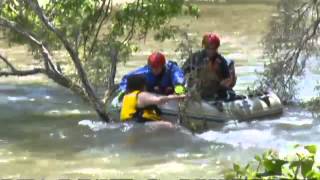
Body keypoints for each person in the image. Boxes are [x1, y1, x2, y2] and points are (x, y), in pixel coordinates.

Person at [182, 33, 237, 100]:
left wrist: (225, 83)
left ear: (217, 48)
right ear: (204, 46)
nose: (211, 51)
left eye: (213, 48)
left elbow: (228, 80)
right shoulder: (195, 58)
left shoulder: (221, 62)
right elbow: (183, 73)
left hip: (217, 91)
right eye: (208, 48)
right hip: (197, 90)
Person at [120, 74, 185, 125]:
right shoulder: (140, 95)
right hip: (139, 124)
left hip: (128, 124)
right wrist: (176, 97)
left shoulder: (126, 97)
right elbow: (159, 100)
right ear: (142, 86)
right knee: (169, 125)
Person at [119, 52, 186, 95]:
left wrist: (178, 92)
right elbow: (126, 79)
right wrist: (126, 92)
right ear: (149, 66)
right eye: (152, 68)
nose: (154, 70)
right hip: (151, 94)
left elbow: (180, 82)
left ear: (163, 66)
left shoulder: (172, 70)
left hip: (169, 94)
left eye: (157, 68)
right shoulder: (145, 71)